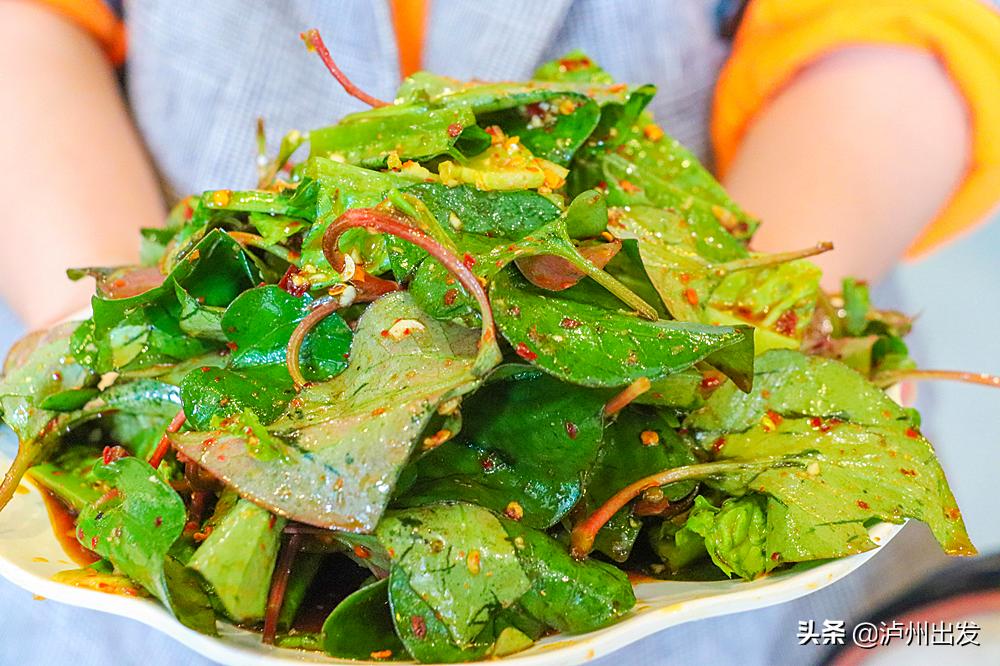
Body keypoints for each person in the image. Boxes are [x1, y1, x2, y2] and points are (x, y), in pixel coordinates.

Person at [0, 1, 997, 664]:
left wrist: (745, 318)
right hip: (157, 553)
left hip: (719, 534)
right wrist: (123, 332)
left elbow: (902, 26)